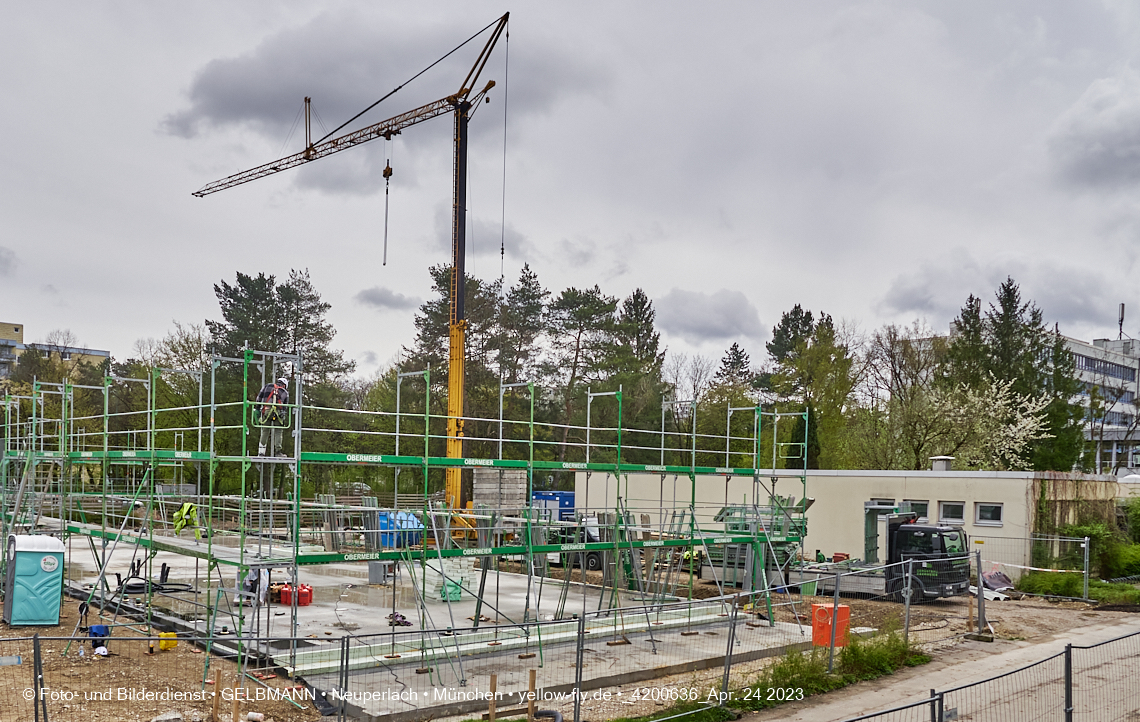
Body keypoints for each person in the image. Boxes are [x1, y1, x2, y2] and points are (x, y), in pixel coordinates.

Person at [255, 377, 290, 456]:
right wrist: (283, 416)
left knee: (265, 431)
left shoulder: (267, 386)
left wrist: (257, 409)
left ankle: (261, 452)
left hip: (266, 411)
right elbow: (285, 407)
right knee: (278, 431)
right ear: (284, 385)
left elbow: (258, 398)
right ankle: (278, 452)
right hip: (277, 413)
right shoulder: (285, 392)